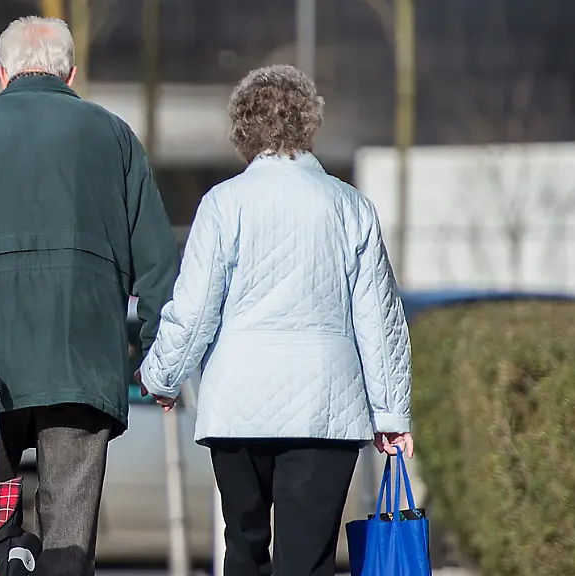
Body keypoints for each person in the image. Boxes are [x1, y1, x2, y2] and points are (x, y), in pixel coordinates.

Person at [0, 15, 178, 576]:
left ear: (2, 72)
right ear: (72, 72)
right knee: (69, 536)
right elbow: (157, 261)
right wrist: (160, 357)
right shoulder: (114, 136)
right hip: (81, 361)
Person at [137, 65, 414, 576]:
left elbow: (195, 308)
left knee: (243, 545)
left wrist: (163, 376)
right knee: (307, 558)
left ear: (243, 129)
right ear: (309, 125)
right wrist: (390, 413)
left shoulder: (222, 205)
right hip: (324, 406)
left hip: (239, 403)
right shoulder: (349, 206)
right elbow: (380, 319)